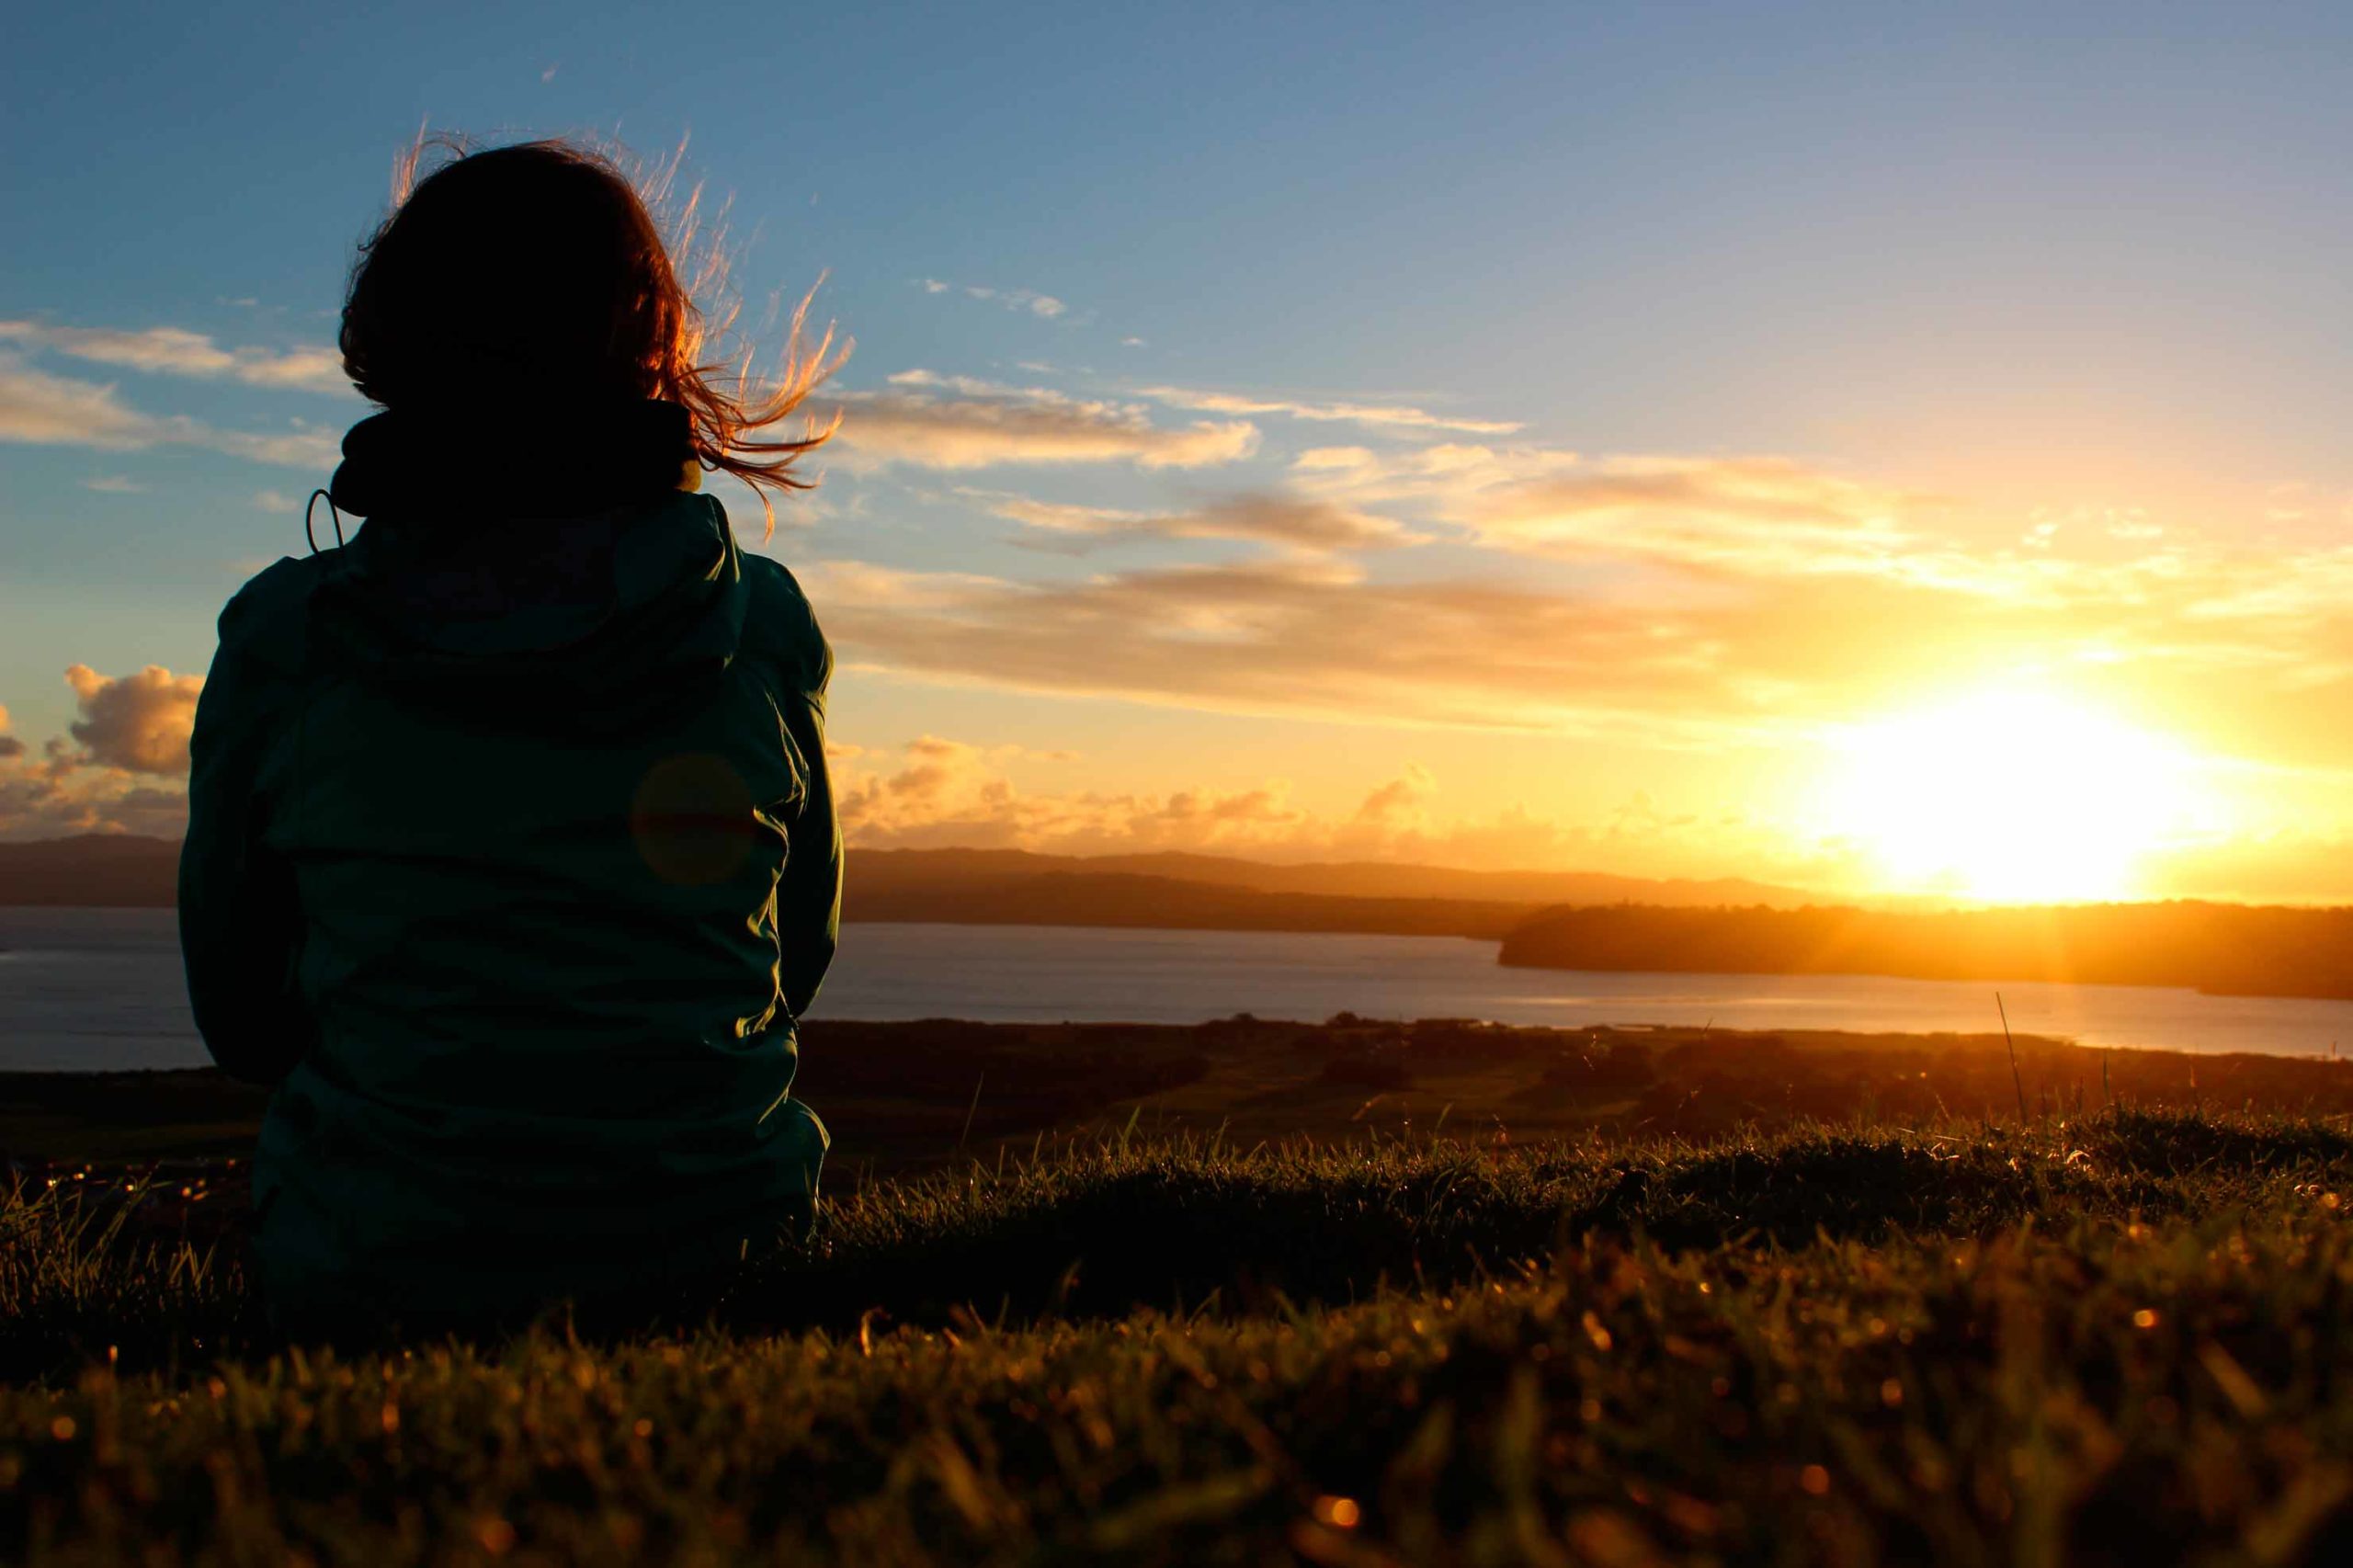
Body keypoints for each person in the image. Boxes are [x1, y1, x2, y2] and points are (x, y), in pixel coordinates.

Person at [176, 139, 845, 1335]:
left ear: (389, 347)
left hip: (373, 1276)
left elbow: (242, 1018)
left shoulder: (285, 641)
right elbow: (792, 962)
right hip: (731, 1261)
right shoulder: (761, 625)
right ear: (651, 347)